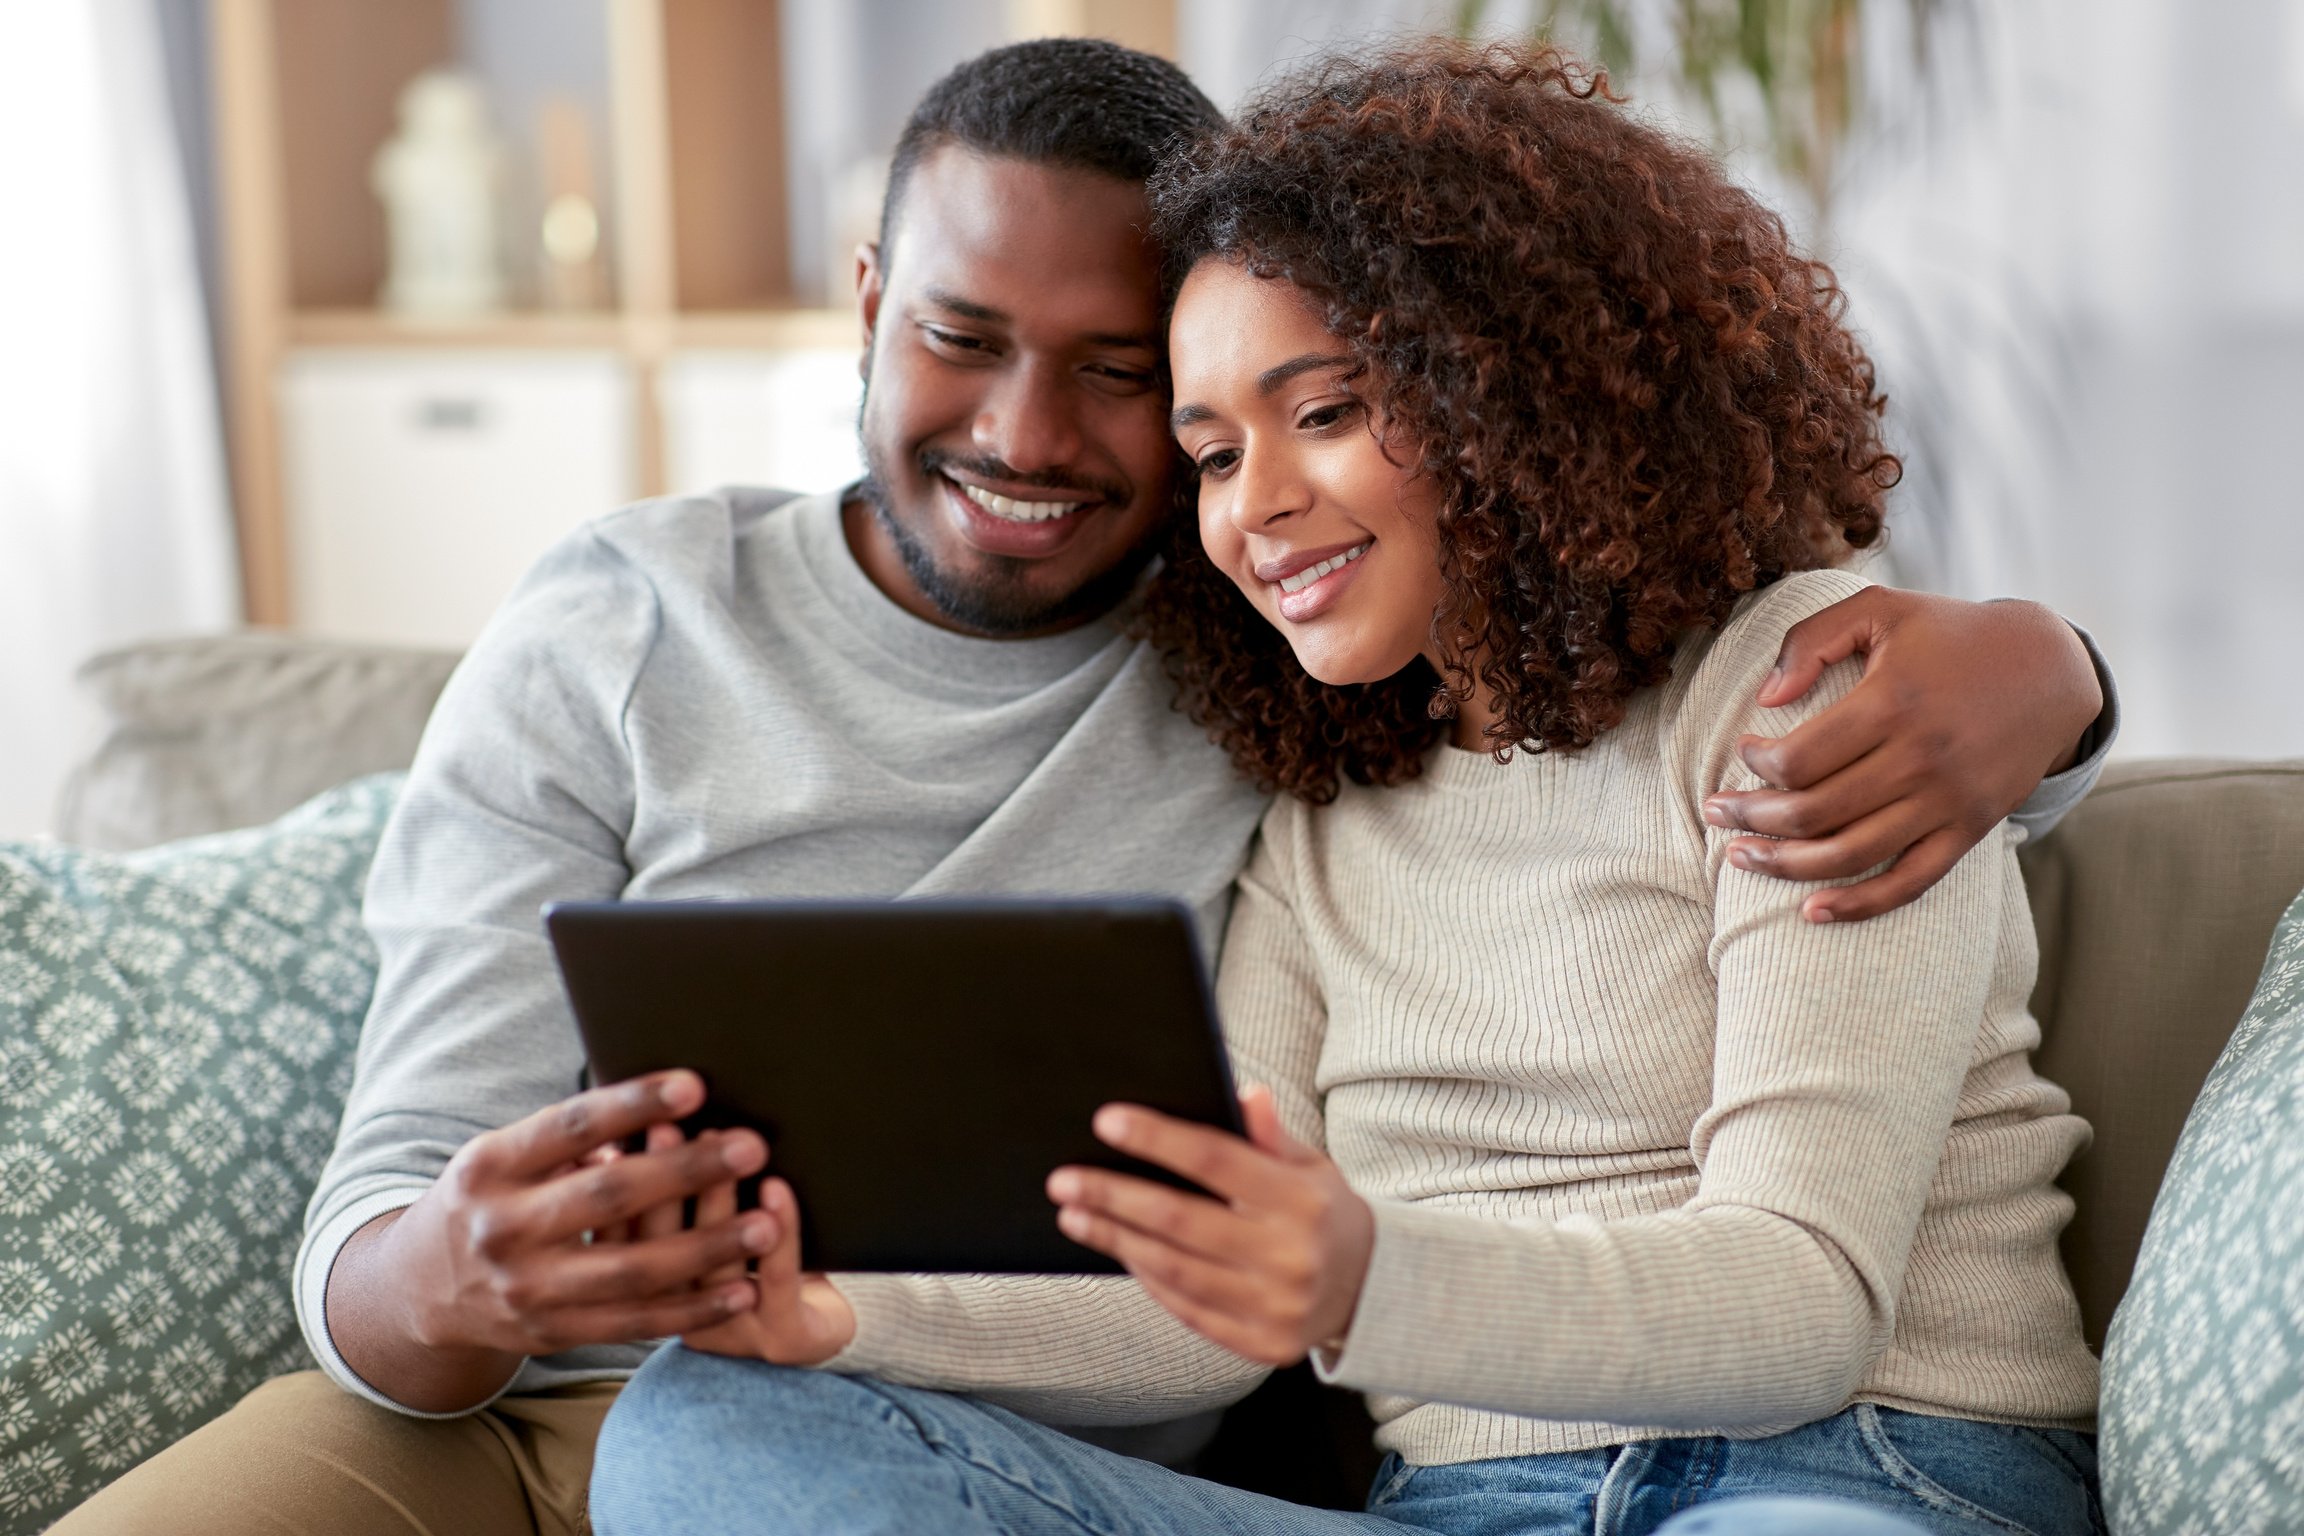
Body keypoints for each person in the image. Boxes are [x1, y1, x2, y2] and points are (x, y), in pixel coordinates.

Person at [60, 39, 2114, 1536]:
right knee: (705, 1436)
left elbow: (1799, 1303)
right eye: (1225, 446)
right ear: (869, 312)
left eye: (1314, 411)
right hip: (1411, 1507)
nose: (1253, 502)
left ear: (1503, 386)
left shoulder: (1797, 698)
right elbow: (1205, 1298)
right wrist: (812, 1309)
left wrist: (2059, 670)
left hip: (1855, 1468)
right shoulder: (1311, 775)